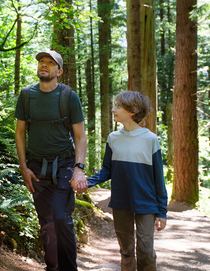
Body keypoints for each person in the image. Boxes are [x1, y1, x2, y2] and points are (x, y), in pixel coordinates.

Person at [73, 91, 168, 270]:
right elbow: (107, 170)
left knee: (146, 250)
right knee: (126, 251)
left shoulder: (150, 139)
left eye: (118, 106)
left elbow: (158, 177)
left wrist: (162, 211)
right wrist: (87, 182)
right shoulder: (113, 138)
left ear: (133, 110)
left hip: (147, 203)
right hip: (121, 202)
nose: (113, 110)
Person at [15, 50, 88, 271]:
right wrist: (24, 167)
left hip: (64, 164)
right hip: (36, 167)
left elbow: (80, 135)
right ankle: (52, 267)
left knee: (61, 217)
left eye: (50, 63)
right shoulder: (27, 95)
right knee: (46, 223)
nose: (44, 65)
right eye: (41, 62)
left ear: (60, 71)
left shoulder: (68, 97)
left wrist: (78, 168)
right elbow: (19, 133)